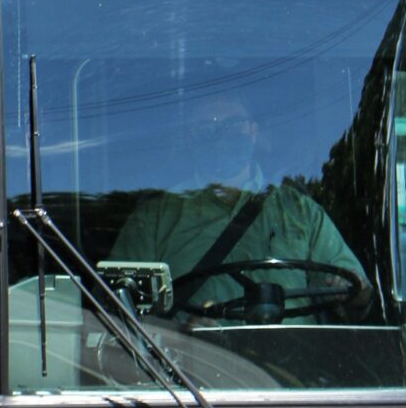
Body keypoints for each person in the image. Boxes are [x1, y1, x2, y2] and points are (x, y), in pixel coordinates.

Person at [110, 93, 368, 322]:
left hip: (291, 369)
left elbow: (358, 292)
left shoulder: (300, 210)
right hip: (183, 368)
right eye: (207, 128)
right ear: (191, 138)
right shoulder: (155, 217)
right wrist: (178, 334)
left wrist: (347, 286)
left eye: (233, 125)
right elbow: (116, 307)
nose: (221, 135)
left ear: (253, 131)